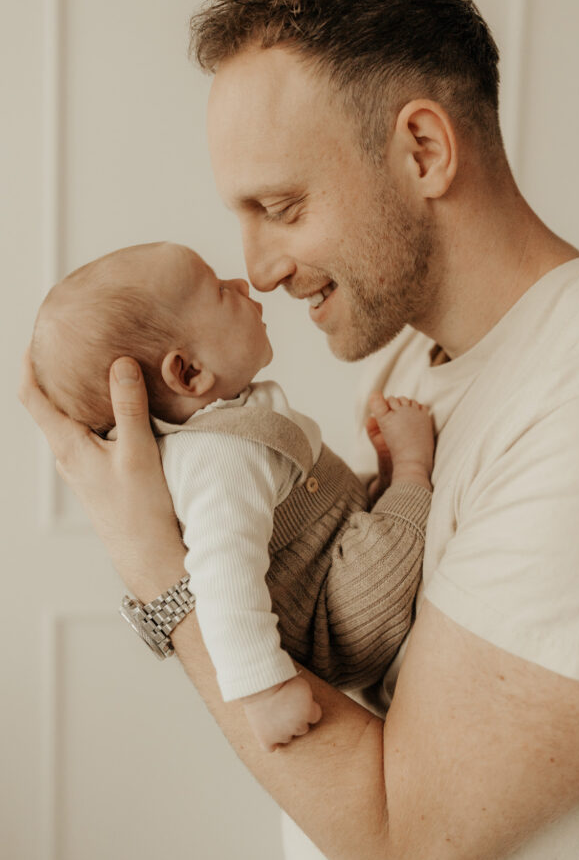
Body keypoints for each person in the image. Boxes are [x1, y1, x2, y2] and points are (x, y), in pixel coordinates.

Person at [20, 0, 579, 860]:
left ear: (423, 151)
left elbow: (401, 853)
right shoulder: (418, 362)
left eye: (281, 207)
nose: (258, 269)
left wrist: (158, 571)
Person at [30, 240, 434, 751]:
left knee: (361, 510)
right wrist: (263, 688)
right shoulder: (219, 457)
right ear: (189, 372)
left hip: (334, 561)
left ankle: (392, 481)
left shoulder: (223, 426)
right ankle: (414, 466)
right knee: (399, 522)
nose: (245, 284)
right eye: (221, 291)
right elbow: (223, 573)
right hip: (347, 615)